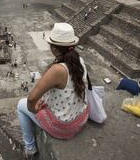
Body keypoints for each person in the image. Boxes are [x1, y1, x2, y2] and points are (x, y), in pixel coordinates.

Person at [17, 23, 89, 156]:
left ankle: (30, 147)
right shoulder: (79, 60)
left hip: (65, 128)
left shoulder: (57, 70)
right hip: (80, 118)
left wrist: (34, 110)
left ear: (55, 49)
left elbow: (31, 98)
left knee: (21, 105)